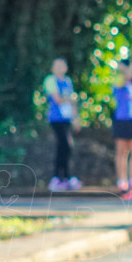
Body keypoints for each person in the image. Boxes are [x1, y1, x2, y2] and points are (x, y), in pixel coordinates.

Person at [43, 58, 82, 191]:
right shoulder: (50, 80)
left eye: (62, 65)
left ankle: (65, 177)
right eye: (57, 66)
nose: (60, 68)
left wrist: (76, 118)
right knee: (64, 145)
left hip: (66, 118)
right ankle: (57, 177)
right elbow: (58, 99)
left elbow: (72, 103)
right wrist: (70, 99)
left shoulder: (67, 82)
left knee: (66, 147)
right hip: (56, 118)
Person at [111, 57, 132, 201]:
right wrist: (124, 70)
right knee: (121, 152)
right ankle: (122, 182)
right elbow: (122, 79)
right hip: (121, 120)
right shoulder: (119, 78)